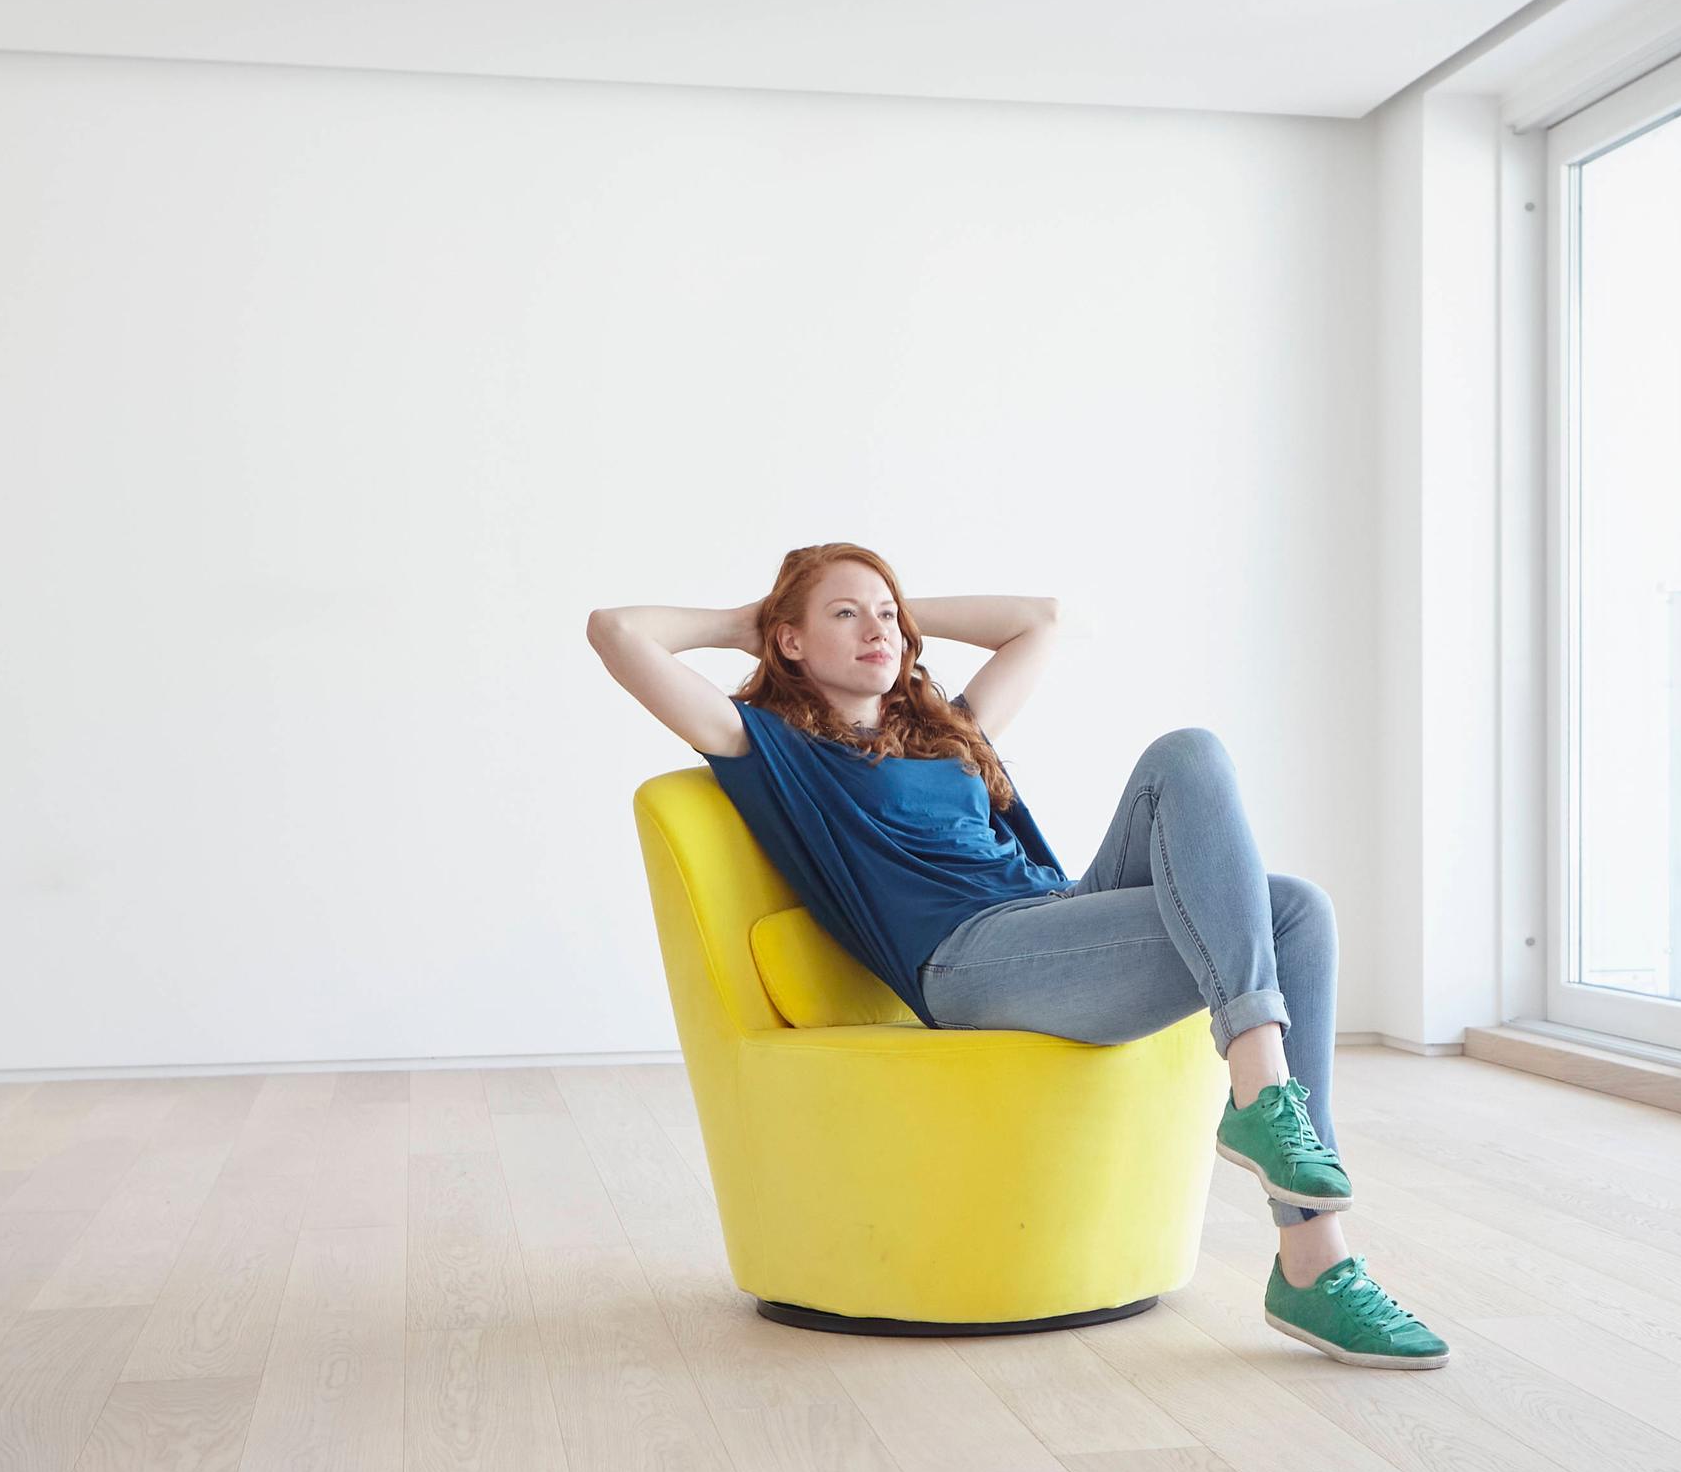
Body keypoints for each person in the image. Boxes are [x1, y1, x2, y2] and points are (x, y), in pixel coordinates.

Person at [586, 542, 1447, 1368]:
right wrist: (754, 618)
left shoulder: (946, 731)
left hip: (1054, 916)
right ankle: (1297, 1194)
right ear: (790, 640)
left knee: (1275, 877)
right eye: (845, 615)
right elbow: (616, 631)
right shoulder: (774, 752)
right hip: (968, 963)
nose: (876, 629)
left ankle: (1304, 1235)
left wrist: (886, 611)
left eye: (886, 614)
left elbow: (1040, 619)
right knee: (1273, 896)